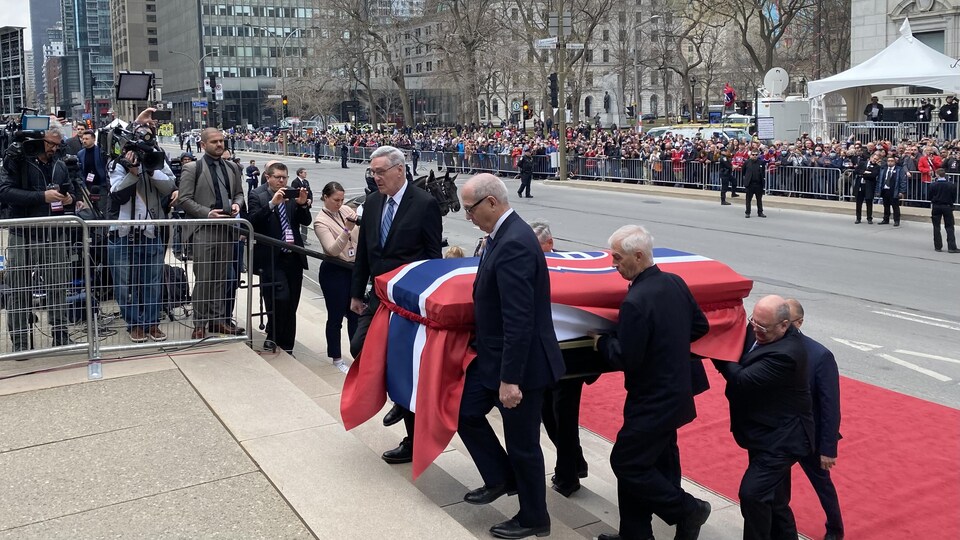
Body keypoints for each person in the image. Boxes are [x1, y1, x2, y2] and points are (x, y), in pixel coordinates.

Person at [457, 173, 564, 539]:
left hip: (519, 366)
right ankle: (502, 478)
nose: (466, 216)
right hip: (494, 357)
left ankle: (535, 517)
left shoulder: (515, 241)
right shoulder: (502, 235)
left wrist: (510, 378)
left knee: (523, 445)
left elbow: (519, 319)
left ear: (490, 202)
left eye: (469, 208)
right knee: (465, 413)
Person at [591, 224, 712, 540]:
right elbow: (699, 326)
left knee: (627, 463)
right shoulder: (674, 282)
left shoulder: (636, 300)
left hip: (651, 400)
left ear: (639, 255)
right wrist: (667, 346)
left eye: (617, 258)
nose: (614, 264)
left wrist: (601, 342)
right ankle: (635, 533)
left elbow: (625, 358)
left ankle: (688, 510)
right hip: (675, 395)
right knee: (654, 461)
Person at [349, 145, 443, 464]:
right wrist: (355, 293)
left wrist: (429, 302)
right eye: (372, 172)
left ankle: (412, 438)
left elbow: (433, 257)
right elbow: (364, 252)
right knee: (359, 347)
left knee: (408, 367)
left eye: (380, 172)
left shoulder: (425, 204)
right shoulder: (373, 203)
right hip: (378, 296)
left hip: (409, 301)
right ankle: (399, 399)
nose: (375, 178)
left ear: (400, 170)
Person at [713, 295, 814, 540]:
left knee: (753, 494)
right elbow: (740, 334)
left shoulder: (788, 353)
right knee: (776, 501)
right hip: (764, 432)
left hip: (783, 439)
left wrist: (716, 349)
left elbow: (742, 380)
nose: (756, 329)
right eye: (754, 322)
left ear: (785, 325)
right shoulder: (761, 329)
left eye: (763, 327)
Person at [0, 119, 77, 353]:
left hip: (54, 234)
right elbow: (4, 192)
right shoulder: (18, 160)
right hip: (23, 234)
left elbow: (70, 190)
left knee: (58, 288)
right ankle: (21, 343)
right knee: (19, 289)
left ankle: (61, 336)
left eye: (58, 144)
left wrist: (70, 199)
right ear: (39, 140)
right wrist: (41, 197)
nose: (55, 148)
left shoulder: (60, 165)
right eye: (51, 143)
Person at [528, 220, 589, 498]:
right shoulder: (533, 265)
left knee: (563, 418)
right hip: (543, 353)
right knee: (548, 414)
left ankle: (568, 475)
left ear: (549, 245)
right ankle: (575, 462)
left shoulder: (568, 269)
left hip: (569, 357)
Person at [177, 128, 247, 339]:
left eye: (221, 141)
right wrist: (207, 213)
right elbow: (184, 199)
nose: (219, 144)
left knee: (221, 278)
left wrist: (236, 205)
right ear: (203, 145)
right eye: (214, 141)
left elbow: (239, 194)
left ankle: (218, 321)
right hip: (203, 230)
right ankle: (199, 323)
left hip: (226, 229)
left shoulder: (232, 167)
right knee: (205, 278)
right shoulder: (192, 168)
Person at [107, 136, 176, 344]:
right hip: (123, 234)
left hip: (150, 232)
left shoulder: (156, 161)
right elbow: (117, 195)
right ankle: (135, 324)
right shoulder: (116, 163)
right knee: (125, 284)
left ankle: (152, 323)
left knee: (152, 282)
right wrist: (133, 172)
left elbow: (169, 187)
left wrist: (151, 169)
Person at [785, 299, 844, 540]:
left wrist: (828, 448)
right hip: (782, 436)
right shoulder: (767, 346)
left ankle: (835, 529)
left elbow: (831, 407)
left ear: (799, 322)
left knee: (823, 486)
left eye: (787, 322)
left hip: (811, 439)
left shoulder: (820, 355)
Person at [247, 162, 311, 355]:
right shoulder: (257, 195)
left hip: (293, 256)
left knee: (292, 302)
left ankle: (287, 343)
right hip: (271, 257)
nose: (282, 181)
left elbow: (305, 221)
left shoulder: (291, 194)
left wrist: (301, 205)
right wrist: (272, 204)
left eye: (284, 177)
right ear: (268, 177)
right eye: (278, 177)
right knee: (278, 299)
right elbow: (252, 222)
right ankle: (273, 335)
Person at [313, 181, 360, 373]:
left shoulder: (346, 210)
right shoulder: (320, 221)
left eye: (341, 199)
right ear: (325, 197)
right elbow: (332, 249)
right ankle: (336, 357)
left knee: (355, 314)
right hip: (334, 270)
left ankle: (358, 354)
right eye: (335, 200)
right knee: (335, 316)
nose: (339, 204)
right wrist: (347, 229)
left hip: (352, 267)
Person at [77, 129, 109, 216]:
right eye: (83, 139)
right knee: (93, 210)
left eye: (87, 139)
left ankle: (102, 227)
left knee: (102, 209)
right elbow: (80, 169)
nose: (84, 141)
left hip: (101, 185)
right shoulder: (80, 154)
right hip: (88, 187)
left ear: (93, 139)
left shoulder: (100, 151)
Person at [929, 168, 958, 253]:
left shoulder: (933, 185)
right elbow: (953, 197)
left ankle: (938, 246)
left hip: (936, 206)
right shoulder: (951, 185)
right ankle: (951, 247)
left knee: (936, 226)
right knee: (949, 227)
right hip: (947, 206)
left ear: (937, 175)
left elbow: (930, 196)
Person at [877, 155, 907, 226]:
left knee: (895, 206)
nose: (890, 162)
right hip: (885, 189)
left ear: (895, 162)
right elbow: (880, 180)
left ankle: (896, 220)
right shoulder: (883, 169)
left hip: (894, 190)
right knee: (886, 205)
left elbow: (903, 181)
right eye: (889, 161)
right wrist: (878, 190)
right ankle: (885, 219)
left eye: (892, 161)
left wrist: (901, 191)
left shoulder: (899, 169)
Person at [854, 152, 881, 224]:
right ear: (871, 157)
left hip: (869, 186)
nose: (875, 160)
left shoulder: (877, 167)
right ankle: (858, 218)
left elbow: (873, 175)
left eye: (877, 159)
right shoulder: (862, 163)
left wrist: (863, 174)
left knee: (869, 202)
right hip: (860, 185)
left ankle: (869, 218)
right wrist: (865, 172)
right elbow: (856, 171)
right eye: (874, 158)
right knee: (858, 203)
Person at [291, 168, 314, 245]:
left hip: (306, 205)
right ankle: (297, 237)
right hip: (299, 206)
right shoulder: (295, 182)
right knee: (298, 222)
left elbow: (309, 192)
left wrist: (310, 199)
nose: (306, 174)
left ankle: (304, 239)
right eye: (304, 172)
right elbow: (294, 194)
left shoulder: (306, 182)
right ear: (300, 173)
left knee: (305, 223)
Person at [743, 150, 766, 218]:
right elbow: (743, 171)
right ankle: (747, 212)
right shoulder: (747, 162)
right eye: (753, 155)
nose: (754, 156)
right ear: (750, 155)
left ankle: (760, 212)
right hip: (750, 184)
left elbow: (763, 172)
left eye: (756, 155)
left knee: (759, 199)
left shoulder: (761, 162)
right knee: (748, 200)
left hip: (759, 184)